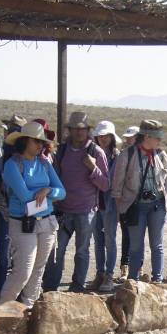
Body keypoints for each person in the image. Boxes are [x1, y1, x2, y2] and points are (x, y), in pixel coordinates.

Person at [0, 121, 65, 306]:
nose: (40, 145)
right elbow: (25, 198)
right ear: (25, 141)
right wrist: (48, 193)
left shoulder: (44, 164)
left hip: (46, 223)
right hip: (23, 223)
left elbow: (62, 191)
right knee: (23, 271)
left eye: (42, 142)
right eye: (36, 141)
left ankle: (29, 308)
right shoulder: (12, 165)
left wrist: (48, 191)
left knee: (37, 271)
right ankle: (2, 309)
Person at [43, 111, 109, 293]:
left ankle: (77, 289)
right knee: (56, 251)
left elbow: (105, 184)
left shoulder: (96, 152)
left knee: (82, 251)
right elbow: (54, 178)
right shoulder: (62, 151)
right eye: (75, 129)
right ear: (69, 130)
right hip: (63, 210)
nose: (79, 132)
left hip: (86, 211)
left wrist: (93, 168)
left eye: (83, 129)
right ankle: (50, 289)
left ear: (88, 130)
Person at [111, 119, 167, 283]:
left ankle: (157, 280)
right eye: (157, 137)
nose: (160, 141)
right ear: (147, 137)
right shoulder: (128, 154)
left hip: (157, 205)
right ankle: (133, 281)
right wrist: (121, 210)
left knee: (157, 245)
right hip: (135, 206)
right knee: (135, 247)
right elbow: (117, 186)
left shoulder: (160, 154)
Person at [0, 114, 26, 297]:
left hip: (8, 212)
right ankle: (11, 293)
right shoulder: (8, 161)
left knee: (8, 253)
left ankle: (2, 292)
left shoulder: (3, 161)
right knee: (16, 254)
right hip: (17, 213)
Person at [88, 120, 122, 292]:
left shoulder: (117, 156)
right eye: (100, 136)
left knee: (109, 239)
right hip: (96, 202)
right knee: (98, 240)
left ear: (111, 137)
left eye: (106, 135)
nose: (103, 139)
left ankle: (109, 274)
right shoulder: (92, 154)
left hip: (109, 203)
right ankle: (100, 273)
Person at [117, 125, 139, 277]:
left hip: (140, 202)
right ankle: (125, 266)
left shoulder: (145, 155)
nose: (129, 140)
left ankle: (137, 267)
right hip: (126, 201)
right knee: (127, 235)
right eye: (128, 137)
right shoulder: (123, 155)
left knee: (137, 237)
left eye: (132, 137)